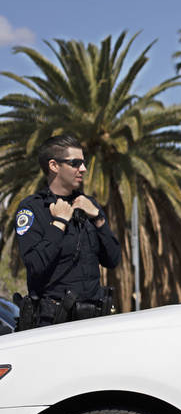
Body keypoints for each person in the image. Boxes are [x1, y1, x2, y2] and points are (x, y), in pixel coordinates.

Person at [14, 134, 121, 328]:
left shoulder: (89, 206)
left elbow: (113, 260)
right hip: (54, 326)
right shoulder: (32, 209)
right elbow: (35, 265)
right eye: (75, 163)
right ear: (54, 166)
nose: (83, 169)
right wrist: (60, 222)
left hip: (94, 324)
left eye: (83, 162)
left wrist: (98, 218)